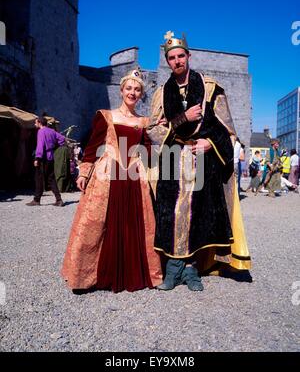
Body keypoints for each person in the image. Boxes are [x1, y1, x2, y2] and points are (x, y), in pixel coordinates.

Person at [147, 31, 251, 292]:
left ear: (189, 56)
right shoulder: (162, 93)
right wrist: (182, 118)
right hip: (173, 156)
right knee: (169, 211)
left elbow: (227, 130)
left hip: (200, 158)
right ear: (168, 61)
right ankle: (172, 270)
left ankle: (192, 269)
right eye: (172, 58)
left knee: (198, 212)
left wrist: (210, 143)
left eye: (181, 56)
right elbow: (153, 129)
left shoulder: (210, 88)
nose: (177, 61)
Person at [61, 69, 162, 293]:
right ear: (121, 90)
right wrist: (84, 172)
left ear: (141, 94)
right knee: (100, 223)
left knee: (132, 225)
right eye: (129, 88)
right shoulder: (105, 116)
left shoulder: (144, 122)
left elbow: (148, 152)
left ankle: (132, 273)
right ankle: (91, 276)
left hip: (133, 178)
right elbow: (92, 147)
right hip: (107, 176)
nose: (132, 93)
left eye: (137, 90)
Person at [26, 117, 65, 206]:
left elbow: (40, 145)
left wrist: (37, 158)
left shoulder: (41, 132)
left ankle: (36, 200)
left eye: (36, 123)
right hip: (50, 157)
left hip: (43, 158)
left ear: (40, 123)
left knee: (39, 178)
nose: (35, 124)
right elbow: (62, 139)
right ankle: (59, 200)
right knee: (51, 179)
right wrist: (54, 147)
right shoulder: (51, 131)